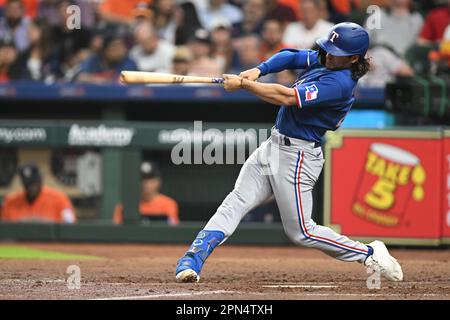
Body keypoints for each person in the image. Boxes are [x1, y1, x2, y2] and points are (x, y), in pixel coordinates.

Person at [175, 22, 403, 283]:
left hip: (298, 156)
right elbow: (290, 56)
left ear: (353, 58)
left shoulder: (340, 83)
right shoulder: (326, 59)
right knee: (236, 201)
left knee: (301, 232)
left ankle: (369, 252)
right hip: (273, 144)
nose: (327, 54)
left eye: (336, 52)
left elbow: (287, 97)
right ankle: (192, 258)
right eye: (328, 48)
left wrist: (243, 85)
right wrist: (258, 70)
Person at [2, 163, 76, 223]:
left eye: (34, 183)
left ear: (40, 181)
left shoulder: (59, 199)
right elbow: (4, 231)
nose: (31, 187)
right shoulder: (10, 201)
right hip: (18, 241)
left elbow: (69, 224)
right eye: (28, 184)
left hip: (50, 241)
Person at [113, 161, 179, 226]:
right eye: (142, 179)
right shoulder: (126, 205)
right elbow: (117, 232)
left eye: (150, 179)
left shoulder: (169, 204)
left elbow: (173, 232)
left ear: (158, 181)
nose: (145, 183)